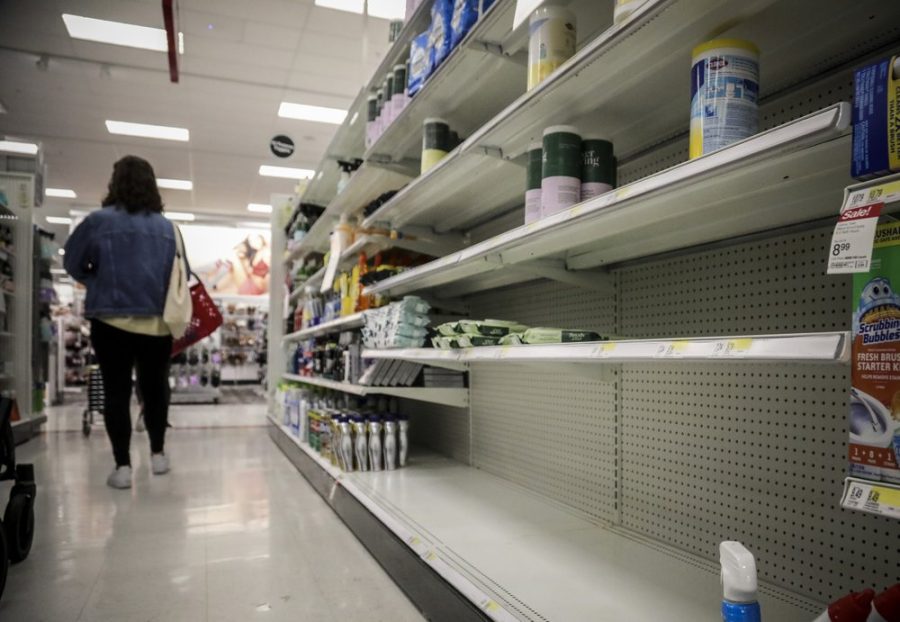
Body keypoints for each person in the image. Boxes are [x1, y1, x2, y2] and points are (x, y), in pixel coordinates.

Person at [64, 155, 180, 489]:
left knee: (116, 392)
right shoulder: (166, 228)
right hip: (157, 322)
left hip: (110, 321)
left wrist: (96, 278)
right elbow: (175, 275)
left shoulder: (97, 222)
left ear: (114, 182)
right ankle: (158, 455)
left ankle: (123, 467)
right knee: (156, 388)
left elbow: (73, 263)